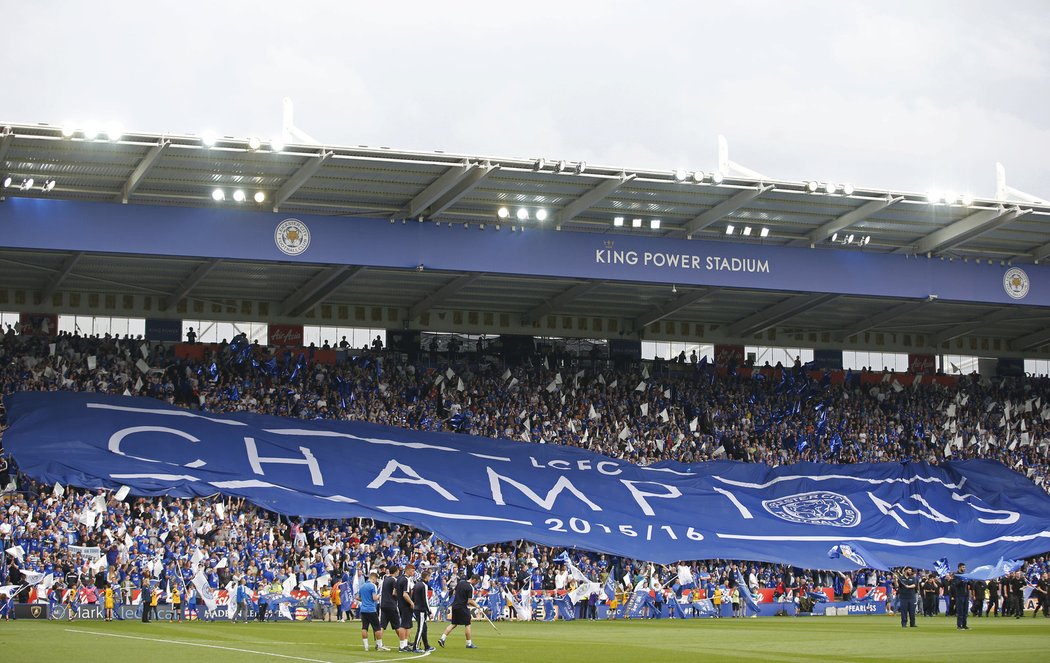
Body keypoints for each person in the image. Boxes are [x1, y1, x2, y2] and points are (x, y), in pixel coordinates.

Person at [439, 574, 480, 649]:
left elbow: (454, 592)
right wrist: (477, 605)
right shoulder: (470, 587)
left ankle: (442, 638)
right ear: (474, 580)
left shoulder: (460, 582)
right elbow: (469, 601)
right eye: (476, 582)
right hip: (462, 607)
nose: (476, 584)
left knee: (453, 624)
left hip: (454, 606)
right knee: (467, 624)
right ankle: (469, 643)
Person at [358, 571, 388, 652]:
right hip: (371, 609)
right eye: (376, 579)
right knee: (377, 628)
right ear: (373, 578)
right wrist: (379, 595)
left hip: (363, 609)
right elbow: (374, 598)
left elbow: (357, 597)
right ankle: (379, 645)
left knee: (364, 627)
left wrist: (364, 599)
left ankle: (366, 646)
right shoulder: (373, 586)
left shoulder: (362, 586)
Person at [412, 568, 435, 652]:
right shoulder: (424, 586)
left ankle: (426, 646)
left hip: (416, 608)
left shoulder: (416, 584)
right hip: (421, 609)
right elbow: (425, 600)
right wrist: (429, 612)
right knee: (421, 628)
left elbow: (413, 597)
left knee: (424, 627)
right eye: (429, 577)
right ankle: (415, 647)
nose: (430, 579)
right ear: (426, 577)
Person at [379, 565, 402, 648]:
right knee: (397, 625)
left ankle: (379, 644)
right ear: (396, 571)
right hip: (391, 605)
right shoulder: (394, 580)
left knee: (382, 626)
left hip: (384, 604)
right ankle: (403, 643)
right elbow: (394, 593)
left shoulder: (385, 580)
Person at [396, 564, 416, 652]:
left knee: (408, 625)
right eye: (412, 571)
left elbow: (394, 592)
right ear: (407, 570)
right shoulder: (407, 580)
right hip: (406, 605)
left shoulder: (399, 579)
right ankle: (402, 646)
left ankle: (405, 644)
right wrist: (411, 603)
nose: (413, 573)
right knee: (404, 625)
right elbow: (405, 594)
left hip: (400, 604)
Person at [951, 564, 972, 630]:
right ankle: (959, 626)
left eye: (964, 567)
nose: (964, 568)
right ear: (959, 567)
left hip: (966, 595)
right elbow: (955, 584)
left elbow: (970, 583)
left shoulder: (965, 575)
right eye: (963, 567)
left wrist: (969, 580)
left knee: (965, 611)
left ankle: (964, 625)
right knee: (960, 611)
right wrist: (961, 581)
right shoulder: (956, 575)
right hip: (960, 595)